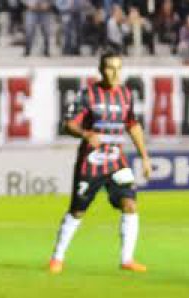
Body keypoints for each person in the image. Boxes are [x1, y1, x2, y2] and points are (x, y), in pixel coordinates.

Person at [49, 52, 152, 274]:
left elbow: (133, 125)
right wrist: (85, 133)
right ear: (101, 70)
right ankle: (57, 258)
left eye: (118, 68)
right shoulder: (88, 95)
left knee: (130, 205)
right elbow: (68, 124)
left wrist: (144, 157)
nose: (114, 73)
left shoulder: (125, 95)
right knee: (78, 211)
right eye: (109, 68)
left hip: (117, 161)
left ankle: (127, 259)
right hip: (91, 162)